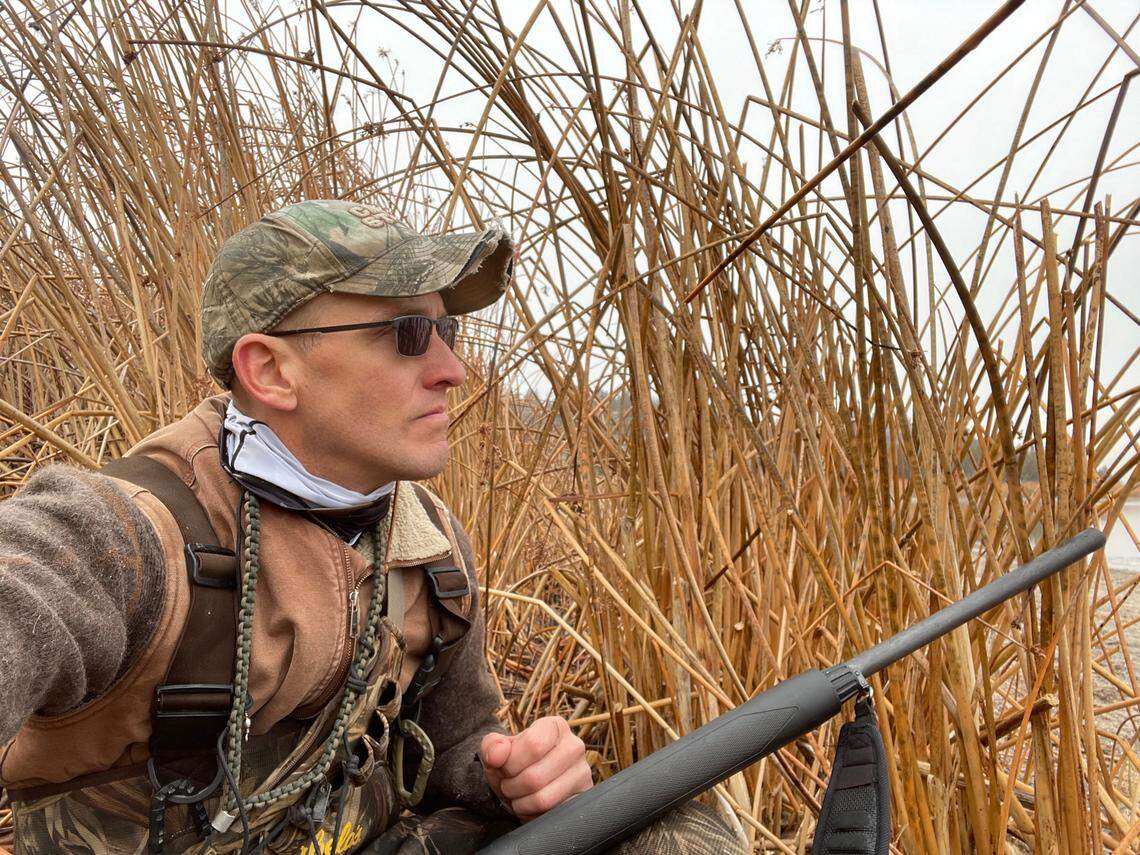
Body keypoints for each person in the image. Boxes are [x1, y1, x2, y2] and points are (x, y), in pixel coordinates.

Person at [0, 200, 743, 854]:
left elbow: (451, 743)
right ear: (270, 372)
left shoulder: (430, 542)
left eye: (447, 329)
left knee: (672, 828)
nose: (454, 368)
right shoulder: (123, 535)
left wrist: (503, 771)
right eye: (411, 332)